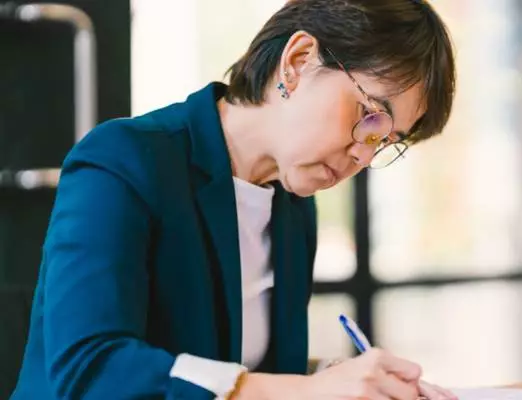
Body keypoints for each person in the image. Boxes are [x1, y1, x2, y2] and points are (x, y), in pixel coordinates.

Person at [11, 0, 457, 399]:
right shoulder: (125, 159)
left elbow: (245, 372)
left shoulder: (292, 204)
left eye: (385, 142)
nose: (364, 154)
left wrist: (342, 380)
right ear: (298, 61)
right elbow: (93, 371)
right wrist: (305, 392)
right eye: (370, 116)